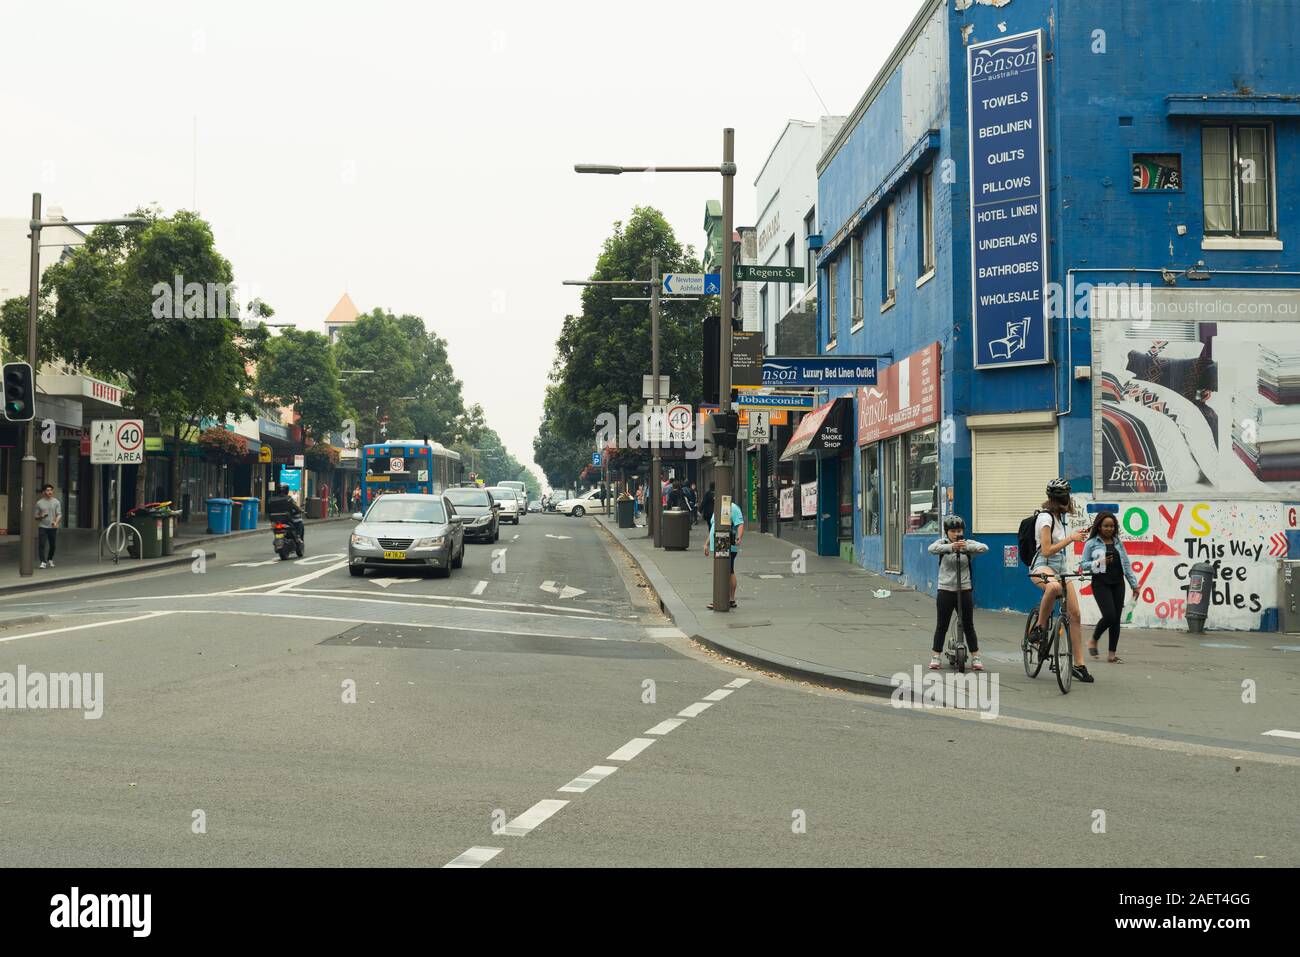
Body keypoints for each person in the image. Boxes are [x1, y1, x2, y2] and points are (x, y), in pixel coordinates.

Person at [1028, 478, 1093, 683]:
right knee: (1054, 586)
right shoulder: (1045, 519)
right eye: (1067, 497)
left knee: (1075, 614)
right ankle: (1039, 628)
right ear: (1060, 500)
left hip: (1061, 564)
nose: (1069, 501)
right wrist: (1071, 539)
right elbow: (1046, 550)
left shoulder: (1058, 517)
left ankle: (1079, 665)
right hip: (1043, 564)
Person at [927, 515, 988, 671]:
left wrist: (965, 547)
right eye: (953, 531)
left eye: (959, 530)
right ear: (947, 532)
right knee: (942, 625)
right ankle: (936, 655)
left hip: (965, 589)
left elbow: (984, 547)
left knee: (968, 624)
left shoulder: (966, 543)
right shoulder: (942, 543)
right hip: (946, 590)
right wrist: (951, 548)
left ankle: (975, 657)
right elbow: (931, 549)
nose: (956, 534)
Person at [1083, 510, 1140, 663]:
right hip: (1100, 583)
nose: (1109, 529)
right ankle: (1093, 640)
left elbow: (1126, 564)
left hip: (1118, 583)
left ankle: (1112, 655)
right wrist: (1099, 562)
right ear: (1099, 527)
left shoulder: (1118, 543)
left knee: (1116, 620)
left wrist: (1134, 585)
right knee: (1109, 615)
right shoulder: (1091, 543)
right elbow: (1083, 565)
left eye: (1112, 526)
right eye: (1106, 526)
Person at [703, 494, 745, 610]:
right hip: (718, 543)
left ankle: (723, 599)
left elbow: (740, 524)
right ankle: (729, 599)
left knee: (726, 570)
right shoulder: (717, 510)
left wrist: (739, 537)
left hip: (727, 543)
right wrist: (706, 544)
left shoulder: (733, 508)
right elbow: (713, 528)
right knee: (727, 570)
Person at [35, 483, 62, 569]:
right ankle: (43, 562)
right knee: (41, 544)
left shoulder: (56, 502)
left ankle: (50, 559)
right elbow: (35, 516)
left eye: (51, 490)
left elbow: (59, 514)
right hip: (42, 526)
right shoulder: (39, 503)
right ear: (44, 492)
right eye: (47, 490)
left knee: (53, 545)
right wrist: (41, 516)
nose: (50, 492)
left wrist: (56, 522)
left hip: (53, 527)